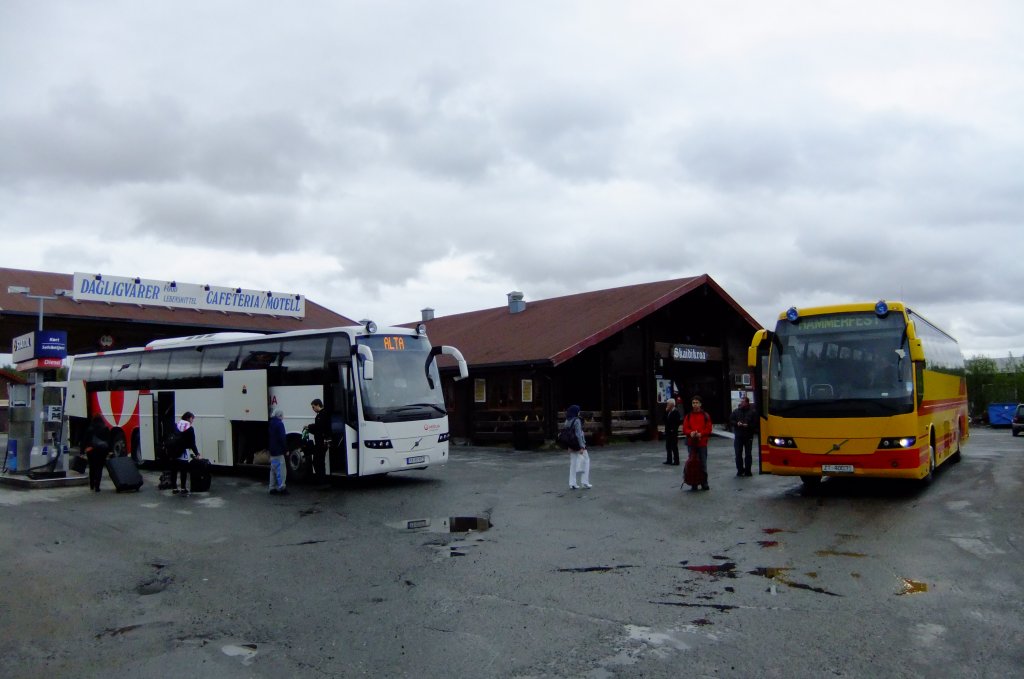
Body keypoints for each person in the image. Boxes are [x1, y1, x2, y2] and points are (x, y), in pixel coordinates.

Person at [682, 395, 713, 491]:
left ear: (700, 404)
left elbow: (709, 428)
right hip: (691, 443)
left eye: (696, 403)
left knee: (703, 463)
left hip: (702, 443)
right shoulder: (688, 416)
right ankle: (693, 482)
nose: (695, 405)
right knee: (693, 462)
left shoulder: (705, 415)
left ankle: (704, 482)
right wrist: (690, 433)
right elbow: (685, 428)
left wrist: (701, 434)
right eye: (693, 403)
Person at [563, 405, 592, 490]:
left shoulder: (567, 421)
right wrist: (582, 446)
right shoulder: (577, 420)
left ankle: (572, 483)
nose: (579, 412)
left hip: (571, 444)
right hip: (578, 444)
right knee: (586, 460)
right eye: (578, 411)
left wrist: (568, 446)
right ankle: (585, 482)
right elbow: (579, 434)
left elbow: (566, 434)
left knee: (573, 463)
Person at [729, 394, 758, 477]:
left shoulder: (752, 412)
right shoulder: (736, 411)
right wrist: (737, 423)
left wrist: (748, 425)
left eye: (743, 402)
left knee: (748, 454)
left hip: (748, 435)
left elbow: (755, 424)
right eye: (741, 401)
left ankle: (748, 471)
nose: (741, 403)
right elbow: (731, 420)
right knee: (738, 454)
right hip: (738, 435)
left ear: (747, 403)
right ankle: (740, 470)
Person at [173, 412, 201, 495]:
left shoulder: (176, 425)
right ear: (189, 418)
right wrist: (197, 454)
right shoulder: (190, 428)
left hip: (173, 451)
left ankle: (174, 488)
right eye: (192, 418)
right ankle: (183, 488)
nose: (192, 421)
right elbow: (192, 443)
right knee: (183, 470)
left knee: (174, 470)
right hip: (183, 451)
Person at [83, 415, 110, 492]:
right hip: (102, 451)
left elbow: (85, 440)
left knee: (92, 468)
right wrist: (109, 451)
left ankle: (91, 485)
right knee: (99, 468)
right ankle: (97, 486)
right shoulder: (105, 428)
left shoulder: (90, 429)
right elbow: (108, 440)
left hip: (91, 451)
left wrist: (83, 450)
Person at [307, 398, 331, 484]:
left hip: (321, 442)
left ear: (317, 405)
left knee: (317, 461)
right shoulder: (322, 414)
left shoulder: (322, 415)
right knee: (320, 461)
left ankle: (321, 480)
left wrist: (309, 427)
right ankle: (322, 480)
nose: (313, 409)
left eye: (313, 407)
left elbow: (319, 428)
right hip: (322, 442)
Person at [268, 409, 289, 495]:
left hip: (272, 451)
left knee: (273, 470)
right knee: (281, 470)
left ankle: (272, 488)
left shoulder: (271, 423)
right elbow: (282, 438)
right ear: (280, 415)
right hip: (278, 451)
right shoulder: (280, 424)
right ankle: (281, 488)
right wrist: (286, 449)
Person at [663, 399, 682, 465]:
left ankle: (676, 460)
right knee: (668, 446)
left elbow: (677, 422)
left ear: (672, 404)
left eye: (668, 404)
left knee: (674, 446)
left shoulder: (676, 411)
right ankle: (669, 460)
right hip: (668, 432)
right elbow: (664, 420)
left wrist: (673, 429)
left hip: (673, 432)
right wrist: (665, 412)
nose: (667, 405)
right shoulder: (668, 411)